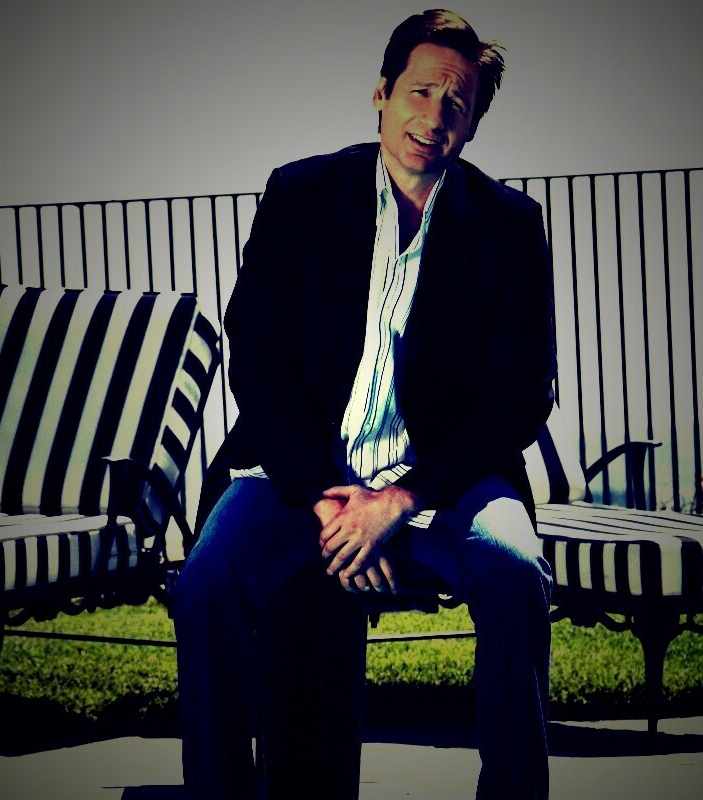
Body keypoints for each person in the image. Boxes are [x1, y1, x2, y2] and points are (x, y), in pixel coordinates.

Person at [173, 9, 556, 799]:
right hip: (296, 480)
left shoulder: (510, 227)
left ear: (473, 123)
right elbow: (260, 364)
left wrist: (397, 502)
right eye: (420, 91)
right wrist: (330, 501)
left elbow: (519, 398)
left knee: (516, 571)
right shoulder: (301, 195)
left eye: (457, 103)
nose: (435, 116)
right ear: (381, 92)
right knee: (207, 582)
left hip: (442, 486)